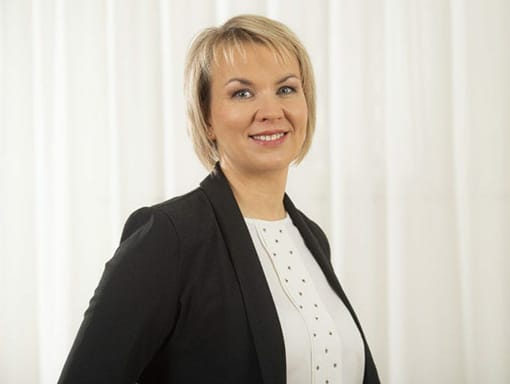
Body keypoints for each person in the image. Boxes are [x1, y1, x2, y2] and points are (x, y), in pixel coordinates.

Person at [58, 14, 380, 384]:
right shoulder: (168, 237)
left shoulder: (311, 237)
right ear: (206, 118)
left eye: (287, 89)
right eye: (242, 93)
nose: (272, 111)